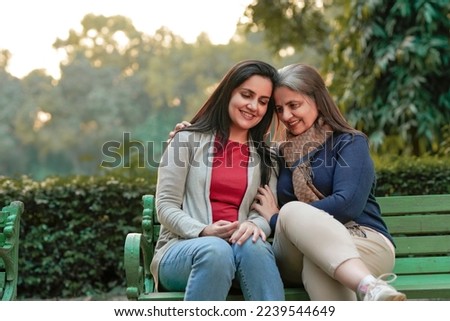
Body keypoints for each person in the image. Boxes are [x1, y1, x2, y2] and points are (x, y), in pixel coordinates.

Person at [251, 63, 406, 301]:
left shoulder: (350, 143)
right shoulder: (278, 153)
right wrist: (194, 135)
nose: (286, 116)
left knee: (319, 265)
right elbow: (236, 147)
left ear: (318, 100)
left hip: (364, 240)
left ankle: (368, 288)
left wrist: (277, 217)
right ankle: (369, 286)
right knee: (294, 214)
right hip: (294, 252)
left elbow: (347, 205)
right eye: (279, 109)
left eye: (294, 105)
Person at [151, 60, 284, 301]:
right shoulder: (187, 140)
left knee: (254, 244)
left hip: (242, 254)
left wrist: (255, 226)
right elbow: (165, 206)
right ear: (228, 92)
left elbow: (263, 213)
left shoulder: (268, 157)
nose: (253, 106)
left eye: (263, 101)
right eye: (246, 95)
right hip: (182, 251)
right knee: (216, 250)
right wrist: (203, 231)